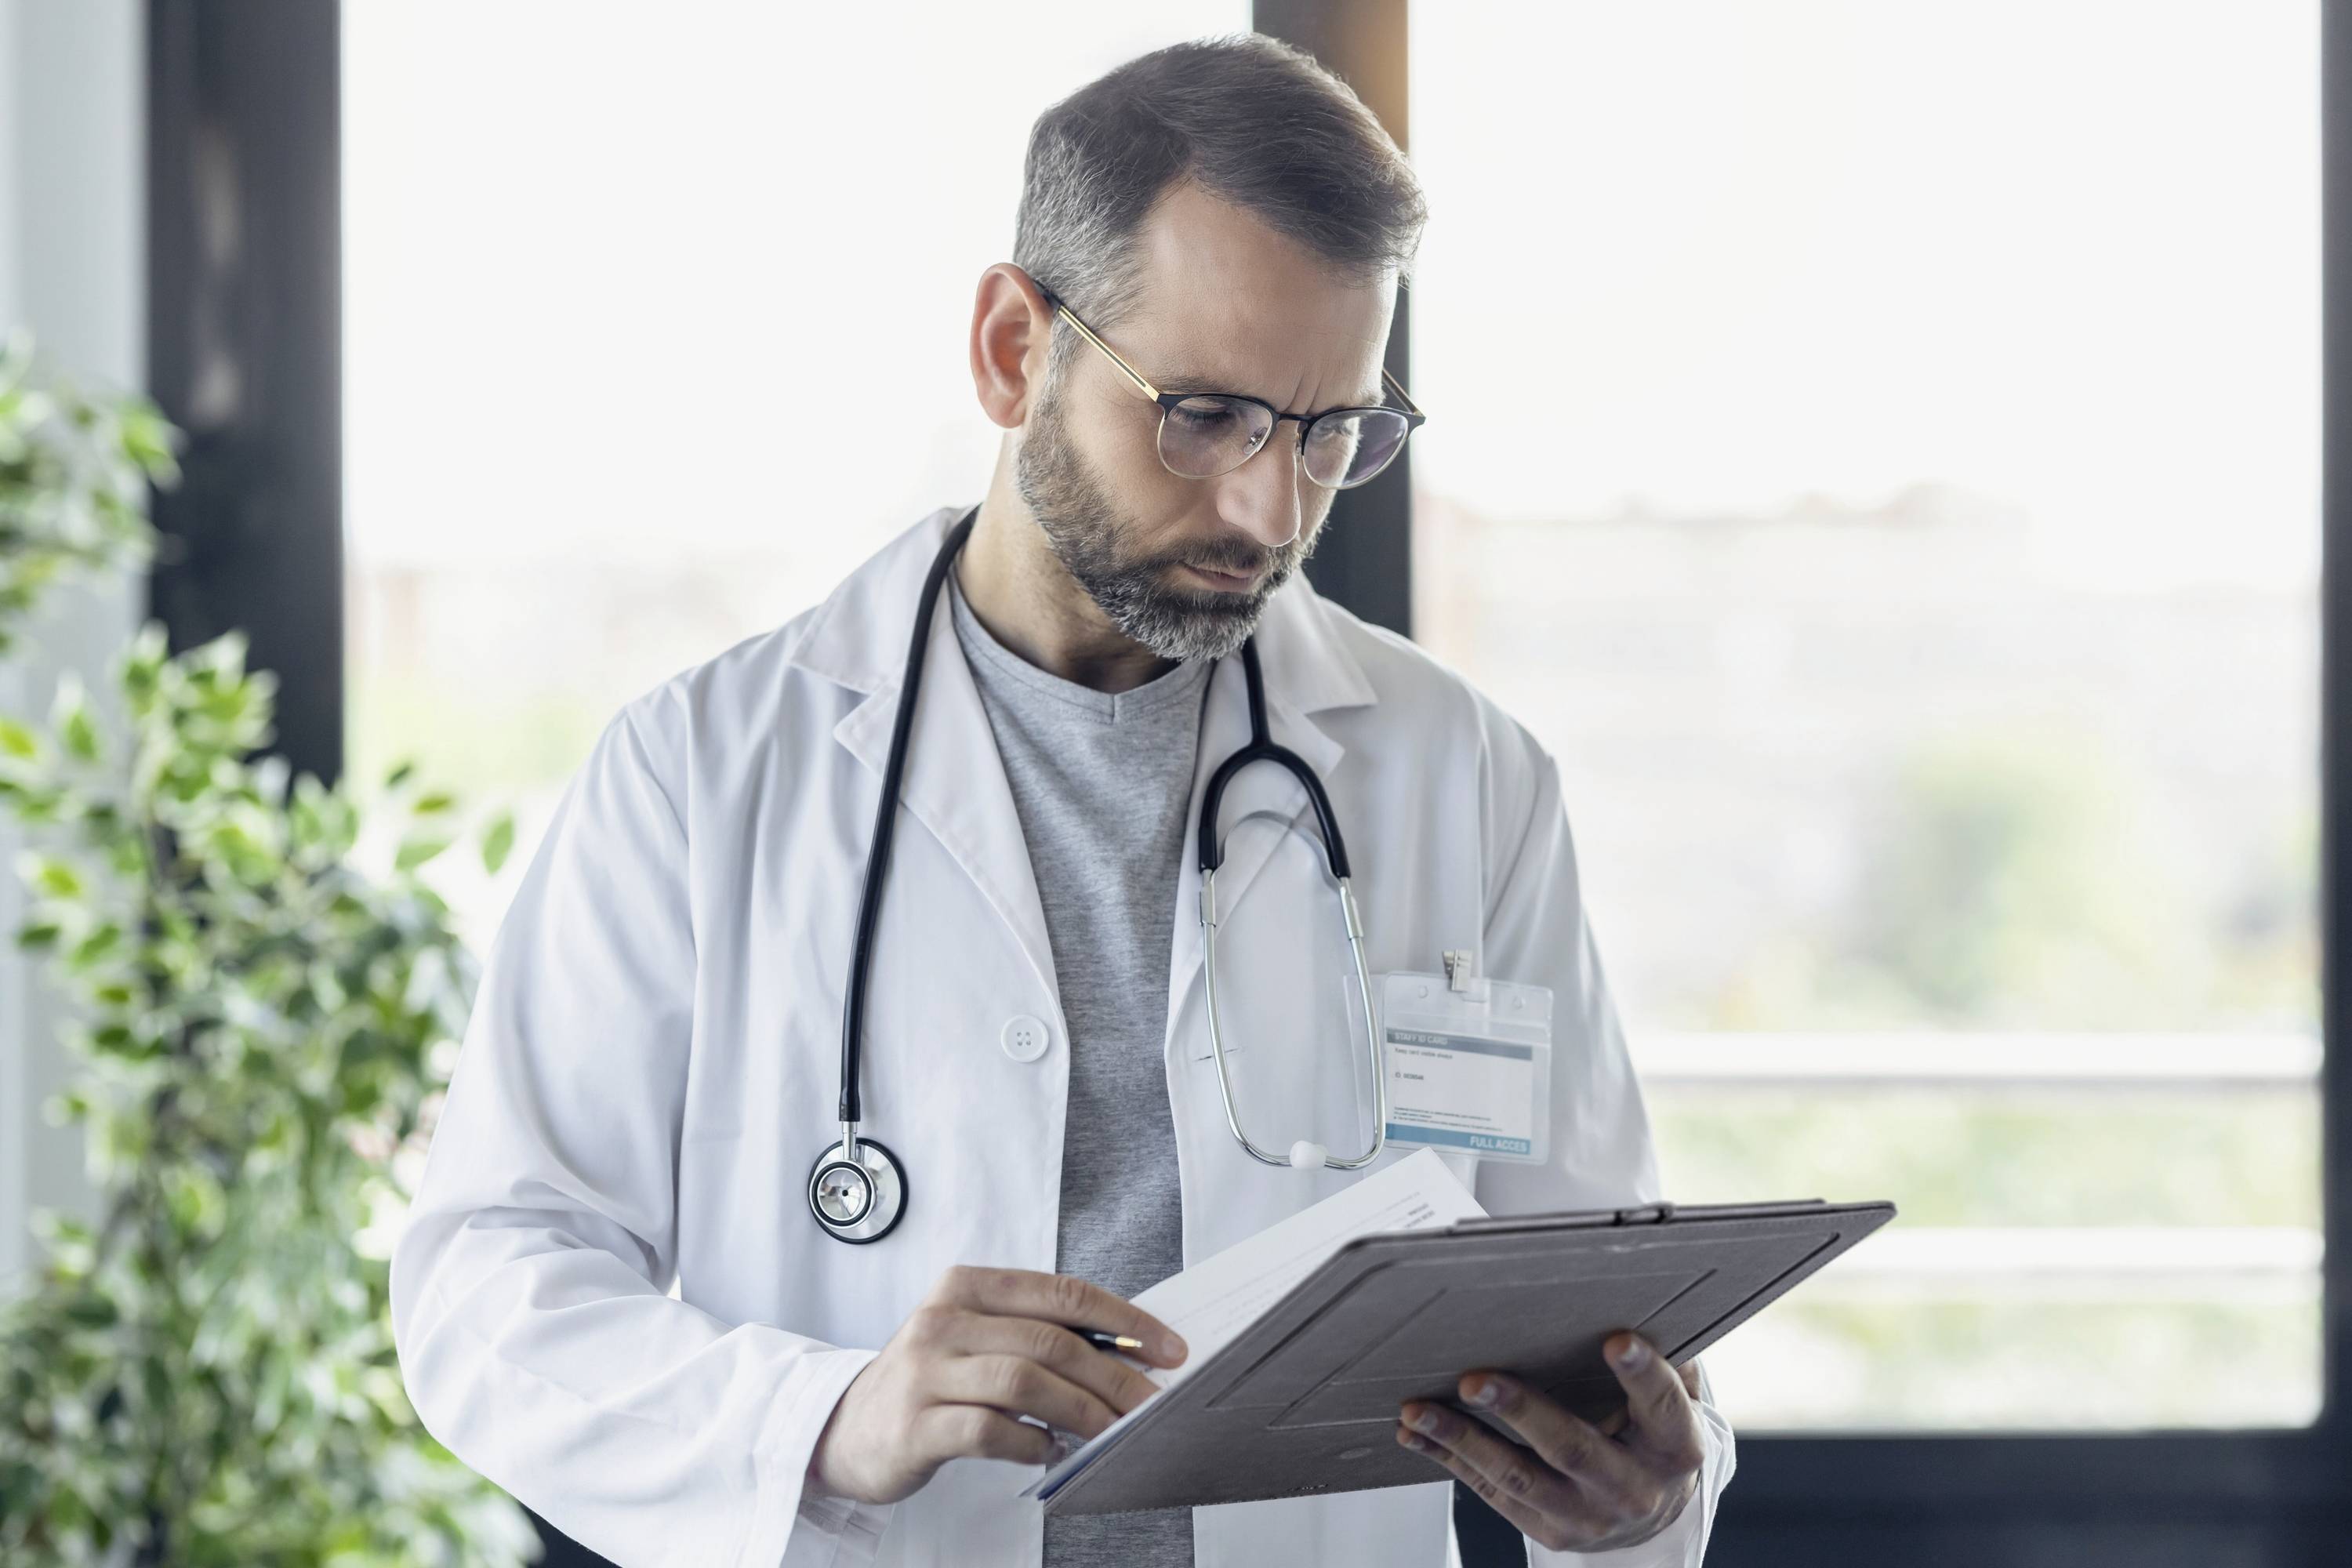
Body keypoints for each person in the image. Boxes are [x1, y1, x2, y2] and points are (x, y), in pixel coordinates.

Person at [390, 31, 1734, 1568]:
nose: (1267, 509)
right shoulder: (703, 774)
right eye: (1208, 414)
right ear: (1014, 348)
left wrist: (1648, 1492)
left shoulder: (1460, 774)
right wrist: (824, 1416)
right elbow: (486, 1283)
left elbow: (1594, 1292)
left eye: (1329, 434)